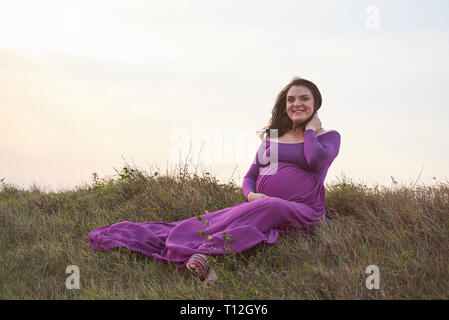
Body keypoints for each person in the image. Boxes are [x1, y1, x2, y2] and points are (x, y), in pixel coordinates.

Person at [87, 77, 341, 282]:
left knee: (271, 206)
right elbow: (253, 174)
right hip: (259, 205)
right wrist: (251, 195)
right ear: (285, 105)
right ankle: (205, 262)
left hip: (306, 210)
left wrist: (310, 131)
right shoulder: (273, 138)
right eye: (291, 99)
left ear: (315, 104)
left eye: (304, 99)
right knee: (196, 226)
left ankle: (204, 254)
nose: (297, 103)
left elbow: (317, 160)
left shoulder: (327, 137)